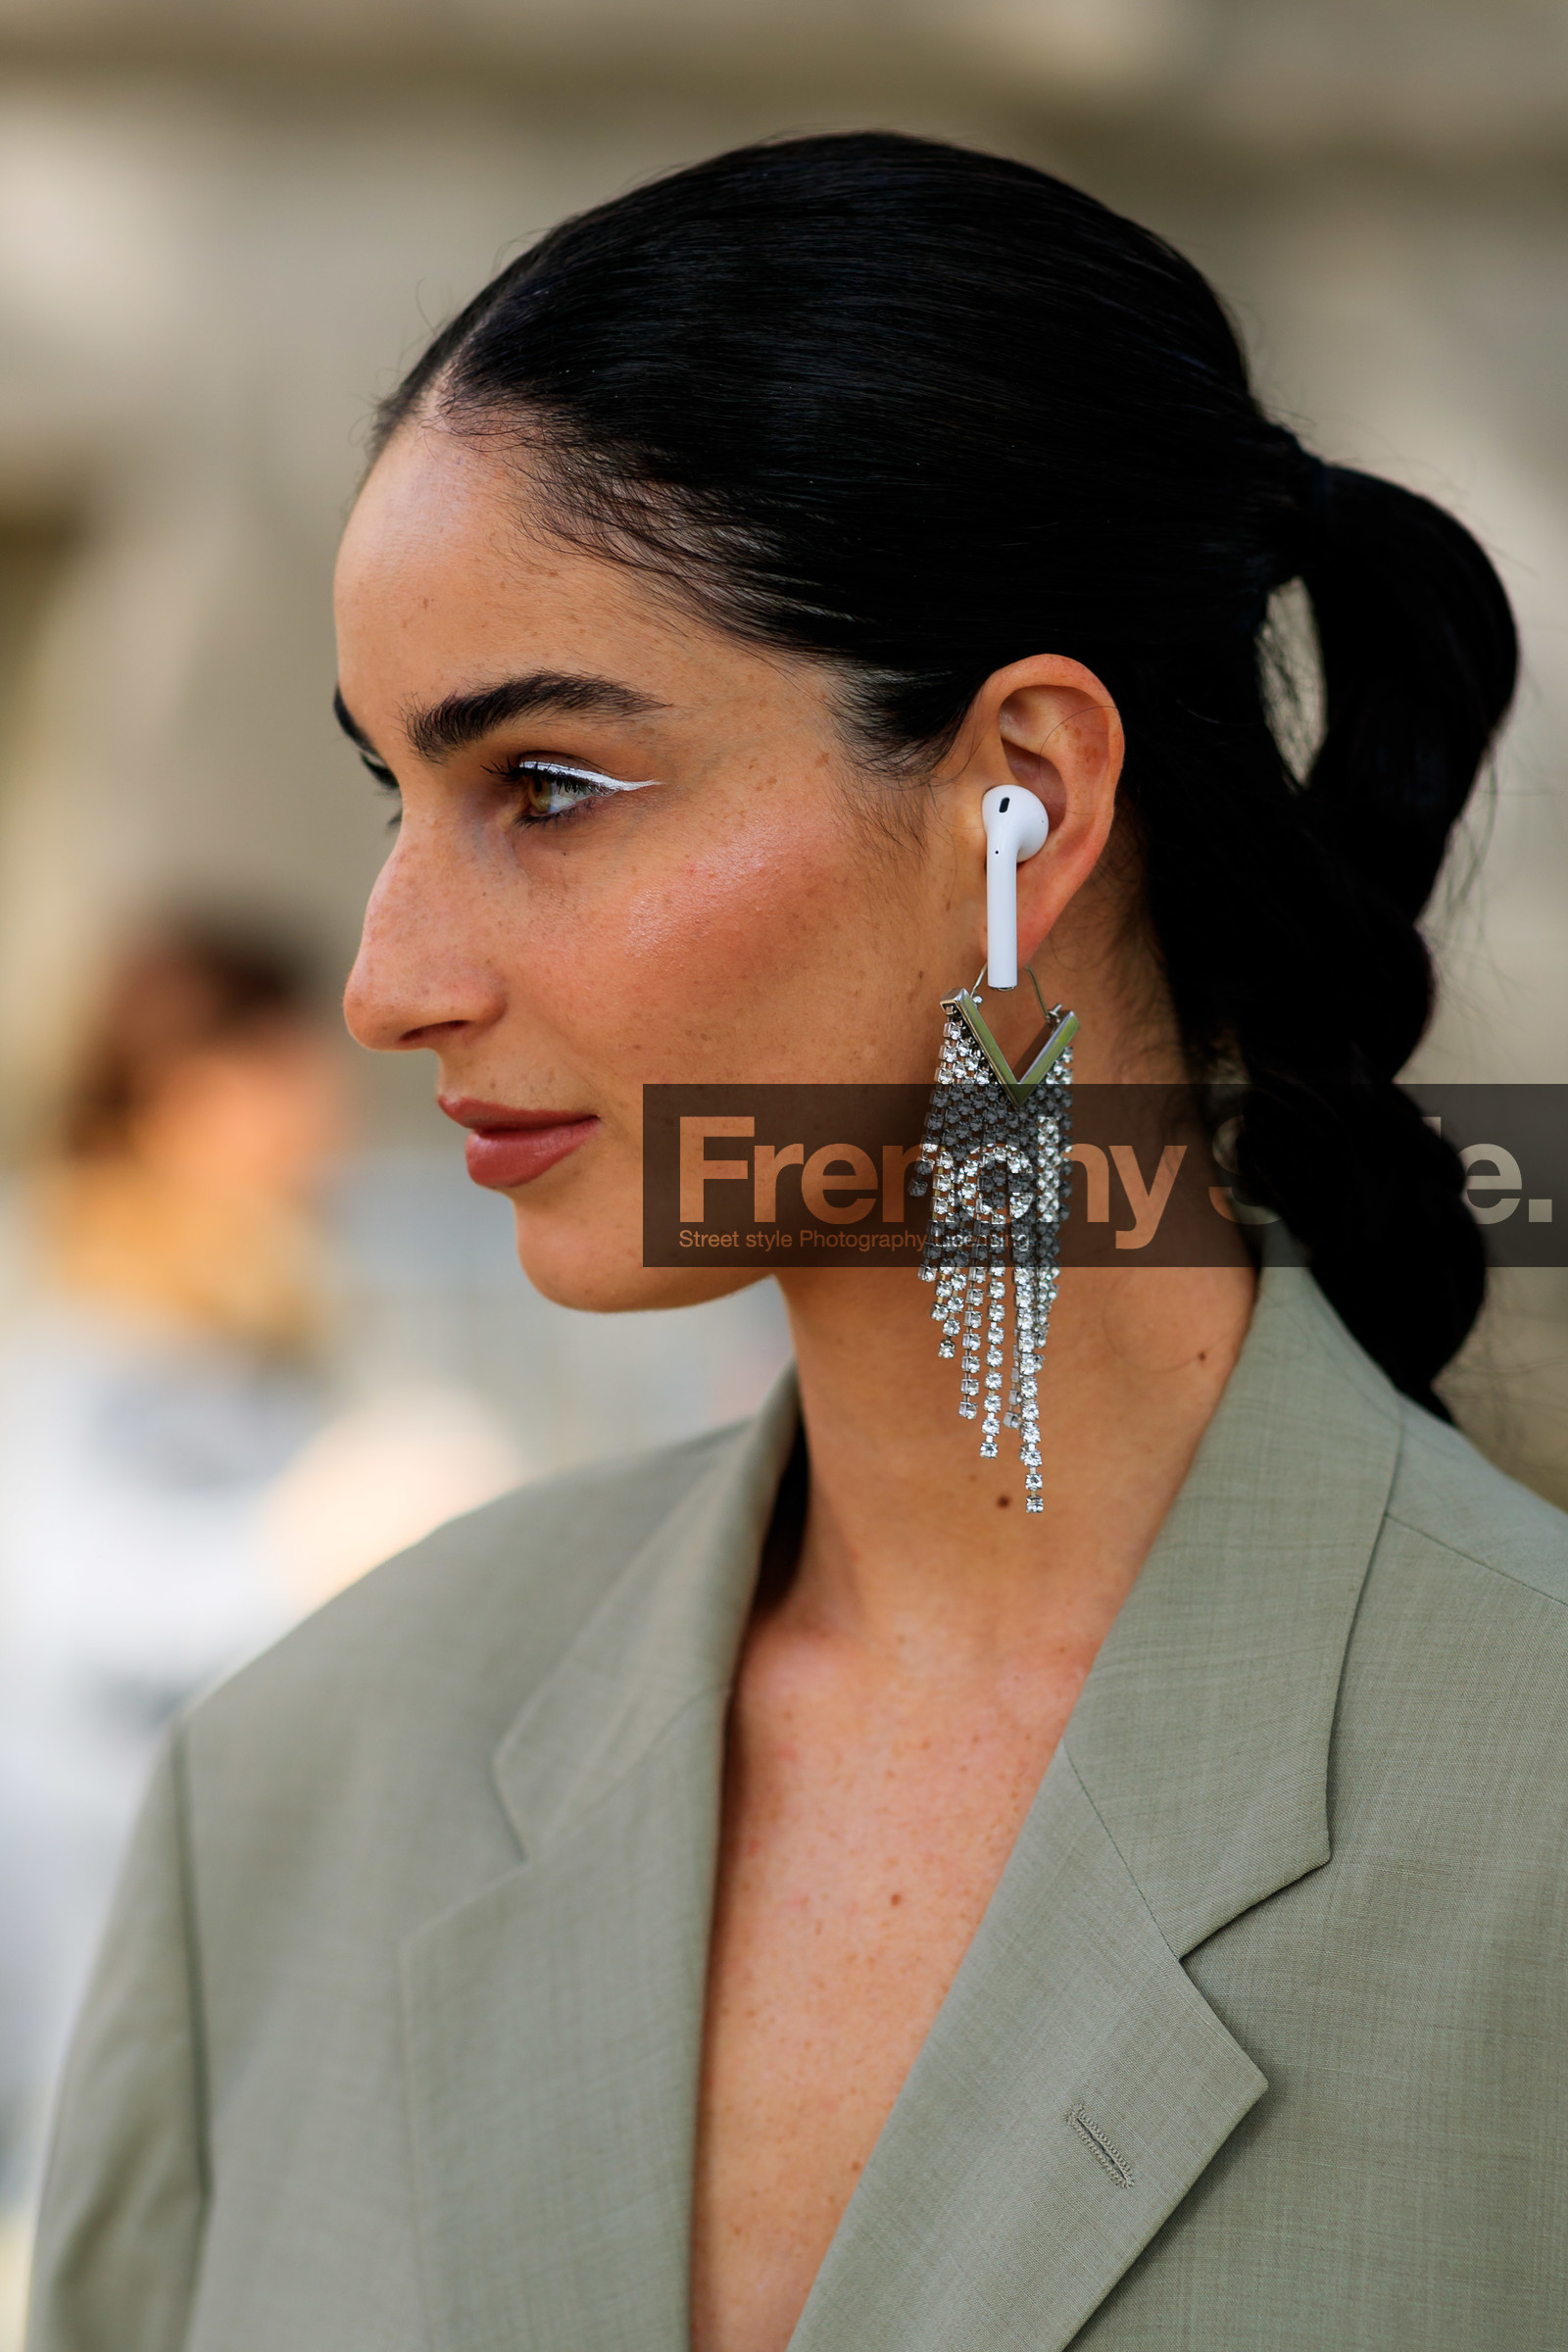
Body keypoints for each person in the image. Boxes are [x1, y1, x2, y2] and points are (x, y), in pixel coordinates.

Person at [25, 134, 1566, 2352]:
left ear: (1021, 797)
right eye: (397, 797)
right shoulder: (300, 1786)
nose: (388, 983)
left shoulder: (1520, 1801)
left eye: (547, 786)